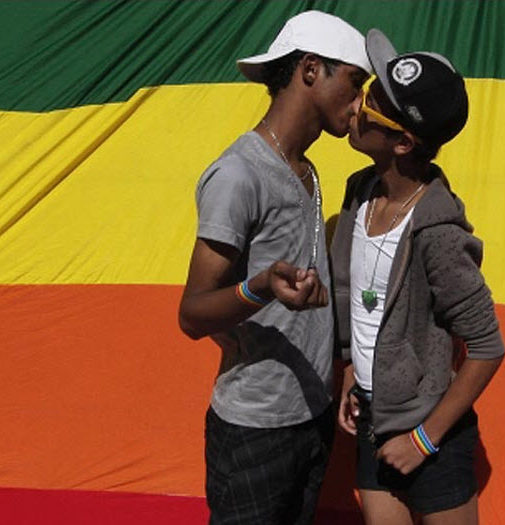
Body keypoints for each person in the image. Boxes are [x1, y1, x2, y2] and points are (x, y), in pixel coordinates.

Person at [177, 11, 371, 525]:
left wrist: (344, 365)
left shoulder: (305, 167)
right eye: (354, 82)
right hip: (253, 435)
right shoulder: (238, 175)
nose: (359, 105)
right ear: (311, 70)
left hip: (312, 418)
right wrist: (260, 287)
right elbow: (192, 315)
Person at [331, 29, 505, 525]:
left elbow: (488, 347)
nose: (357, 107)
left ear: (404, 142)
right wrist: (350, 373)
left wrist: (424, 439)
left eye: (372, 105)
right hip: (371, 422)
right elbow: (355, 301)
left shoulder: (439, 234)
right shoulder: (357, 193)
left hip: (432, 438)